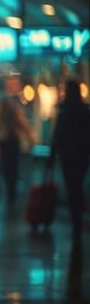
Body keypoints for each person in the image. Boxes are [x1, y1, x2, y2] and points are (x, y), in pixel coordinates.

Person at [46, 79, 90, 241]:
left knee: (72, 189)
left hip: (67, 157)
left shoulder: (64, 113)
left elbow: (57, 137)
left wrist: (51, 158)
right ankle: (78, 221)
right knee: (78, 187)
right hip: (82, 157)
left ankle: (75, 222)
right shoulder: (85, 112)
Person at [0, 96, 36, 206]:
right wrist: (32, 141)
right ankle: (12, 190)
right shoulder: (14, 114)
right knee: (12, 168)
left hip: (6, 143)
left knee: (7, 168)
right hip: (13, 143)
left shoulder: (2, 115)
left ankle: (10, 190)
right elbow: (26, 128)